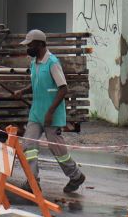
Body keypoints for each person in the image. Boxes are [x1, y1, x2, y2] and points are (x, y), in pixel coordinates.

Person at [14, 29, 85, 193]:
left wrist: (50, 112)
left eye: (30, 45)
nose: (28, 48)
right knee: (28, 145)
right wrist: (22, 92)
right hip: (36, 113)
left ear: (39, 44)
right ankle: (33, 181)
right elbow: (36, 84)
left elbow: (63, 88)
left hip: (51, 115)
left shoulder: (52, 62)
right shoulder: (34, 62)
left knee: (58, 150)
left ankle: (76, 176)